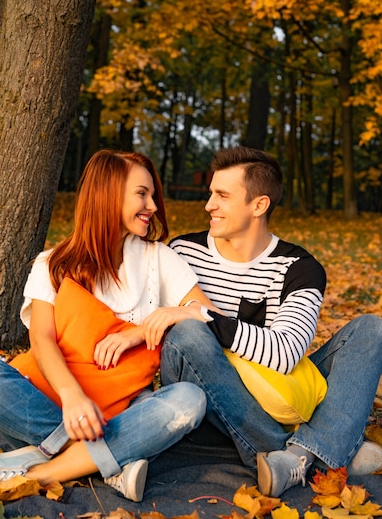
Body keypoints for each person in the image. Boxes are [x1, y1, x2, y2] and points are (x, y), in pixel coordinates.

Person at [0, 150, 218, 502]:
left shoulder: (158, 258)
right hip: (51, 400)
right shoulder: (52, 263)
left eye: (152, 196)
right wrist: (72, 398)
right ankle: (109, 462)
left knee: (189, 399)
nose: (153, 206)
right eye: (142, 194)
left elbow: (207, 312)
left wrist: (144, 328)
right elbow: (41, 339)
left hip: (120, 411)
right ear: (108, 195)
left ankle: (44, 470)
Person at [153, 145, 382, 498]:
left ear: (259, 205)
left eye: (222, 196)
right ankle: (321, 450)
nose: (208, 205)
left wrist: (199, 313)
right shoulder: (182, 252)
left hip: (282, 394)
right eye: (211, 193)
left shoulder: (299, 267)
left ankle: (298, 456)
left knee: (371, 329)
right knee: (188, 337)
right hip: (210, 400)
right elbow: (174, 347)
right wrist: (194, 322)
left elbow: (286, 353)